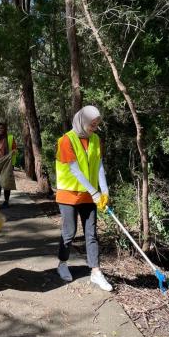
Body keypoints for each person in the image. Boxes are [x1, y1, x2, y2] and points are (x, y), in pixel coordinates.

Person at [55, 105, 112, 291]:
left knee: (92, 234)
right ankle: (62, 264)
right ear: (82, 121)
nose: (94, 128)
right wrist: (95, 192)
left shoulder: (95, 139)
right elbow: (75, 170)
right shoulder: (66, 140)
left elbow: (99, 166)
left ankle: (95, 271)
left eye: (97, 125)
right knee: (69, 233)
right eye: (92, 124)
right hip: (68, 195)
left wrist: (104, 191)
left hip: (89, 196)